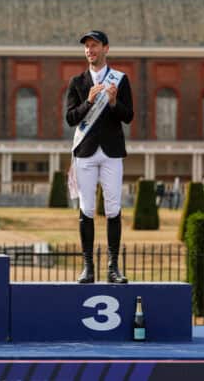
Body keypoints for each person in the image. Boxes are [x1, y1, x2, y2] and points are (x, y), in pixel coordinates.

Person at [65, 30, 133, 284]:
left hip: (112, 151)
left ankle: (113, 267)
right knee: (87, 209)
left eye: (94, 46)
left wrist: (114, 103)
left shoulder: (120, 80)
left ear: (106, 48)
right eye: (87, 47)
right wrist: (89, 102)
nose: (90, 50)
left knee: (113, 208)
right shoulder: (77, 82)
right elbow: (70, 118)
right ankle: (88, 267)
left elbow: (129, 116)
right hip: (86, 152)